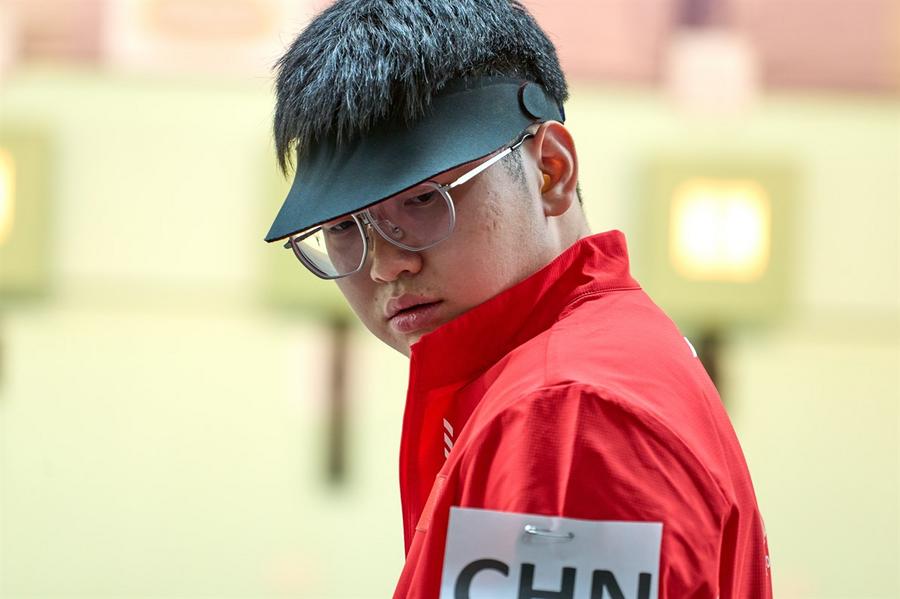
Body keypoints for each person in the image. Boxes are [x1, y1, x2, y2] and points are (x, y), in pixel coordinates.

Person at [265, 1, 773, 597]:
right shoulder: (592, 368)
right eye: (343, 227)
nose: (384, 264)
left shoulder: (570, 412)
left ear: (550, 171)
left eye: (424, 199)